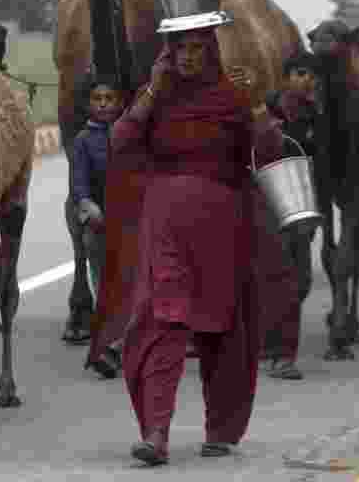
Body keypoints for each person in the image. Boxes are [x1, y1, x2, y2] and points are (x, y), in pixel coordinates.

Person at [112, 27, 284, 466]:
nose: (187, 58)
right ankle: (156, 434)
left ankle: (221, 430)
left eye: (196, 49)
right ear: (168, 53)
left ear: (211, 53)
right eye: (180, 49)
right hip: (166, 221)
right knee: (163, 322)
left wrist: (257, 103)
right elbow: (121, 140)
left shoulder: (232, 95)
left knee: (221, 328)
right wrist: (151, 90)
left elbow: (269, 150)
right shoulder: (158, 95)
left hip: (222, 225)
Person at [259, 51, 322, 380]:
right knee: (278, 281)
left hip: (300, 204)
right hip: (269, 205)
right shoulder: (268, 109)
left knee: (301, 281)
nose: (305, 80)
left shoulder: (315, 115)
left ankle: (275, 346)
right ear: (286, 78)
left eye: (310, 74)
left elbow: (318, 162)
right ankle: (281, 354)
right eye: (298, 73)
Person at [71, 75, 126, 379]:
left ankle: (115, 347)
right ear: (88, 105)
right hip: (98, 226)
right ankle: (107, 346)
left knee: (128, 288)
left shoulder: (129, 135)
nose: (103, 103)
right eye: (97, 99)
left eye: (109, 98)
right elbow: (78, 185)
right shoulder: (83, 141)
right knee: (103, 289)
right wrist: (87, 205)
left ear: (119, 103)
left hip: (129, 226)